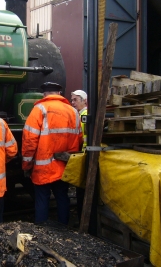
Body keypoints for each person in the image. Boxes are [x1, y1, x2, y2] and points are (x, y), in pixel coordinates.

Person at [22, 82, 82, 225]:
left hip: (44, 167)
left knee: (42, 198)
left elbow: (29, 139)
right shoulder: (73, 111)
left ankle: (42, 229)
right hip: (64, 165)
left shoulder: (39, 109)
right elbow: (79, 138)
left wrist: (26, 164)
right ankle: (63, 226)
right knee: (62, 196)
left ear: (44, 95)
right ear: (59, 94)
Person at [71, 89, 88, 223]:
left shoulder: (84, 115)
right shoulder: (78, 115)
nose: (73, 103)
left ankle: (82, 218)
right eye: (72, 100)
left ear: (84, 101)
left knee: (82, 189)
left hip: (85, 156)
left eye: (75, 100)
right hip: (81, 155)